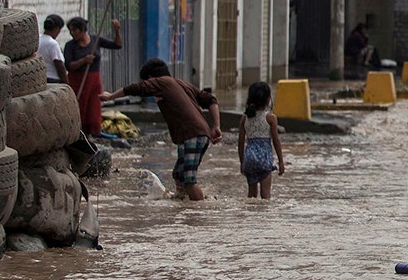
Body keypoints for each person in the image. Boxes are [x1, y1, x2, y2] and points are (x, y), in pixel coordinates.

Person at [104, 58, 222, 200]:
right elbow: (211, 100)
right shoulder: (180, 83)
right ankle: (183, 206)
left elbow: (134, 89)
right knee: (178, 175)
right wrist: (216, 126)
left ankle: (197, 214)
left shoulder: (161, 82)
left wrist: (111, 96)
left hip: (193, 135)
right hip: (194, 135)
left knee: (189, 180)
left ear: (150, 78)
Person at [63, 16, 122, 138]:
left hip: (94, 80)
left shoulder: (96, 40)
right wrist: (84, 60)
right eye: (70, 31)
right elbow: (69, 65)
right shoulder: (70, 45)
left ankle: (91, 134)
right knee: (79, 107)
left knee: (93, 107)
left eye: (75, 30)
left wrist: (117, 31)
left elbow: (117, 45)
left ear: (83, 29)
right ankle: (77, 133)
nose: (72, 33)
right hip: (77, 80)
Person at [238, 81, 287, 199]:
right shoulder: (271, 118)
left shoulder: (245, 118)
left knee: (252, 196)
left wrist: (242, 162)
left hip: (249, 159)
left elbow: (240, 143)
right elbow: (276, 141)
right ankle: (263, 217)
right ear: (268, 99)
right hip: (264, 160)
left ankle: (250, 216)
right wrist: (281, 161)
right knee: (265, 197)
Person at [38, 15, 67, 84]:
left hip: (40, 78)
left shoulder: (37, 39)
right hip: (53, 79)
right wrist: (66, 83)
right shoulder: (52, 43)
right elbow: (59, 65)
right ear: (57, 29)